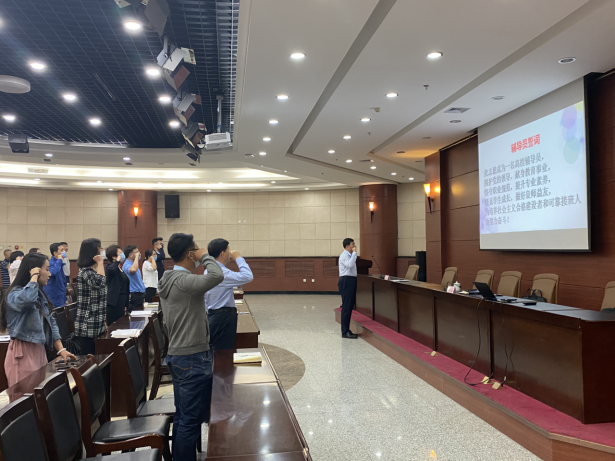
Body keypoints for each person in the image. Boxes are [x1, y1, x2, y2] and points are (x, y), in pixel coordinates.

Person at [158, 233, 223, 461]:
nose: (199, 251)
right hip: (191, 356)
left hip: (179, 354)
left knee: (185, 415)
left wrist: (200, 254)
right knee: (190, 419)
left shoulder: (169, 277)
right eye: (196, 249)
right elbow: (217, 275)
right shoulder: (184, 281)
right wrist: (205, 256)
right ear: (190, 254)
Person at [0, 253, 76, 387]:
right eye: (46, 269)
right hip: (22, 353)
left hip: (39, 350)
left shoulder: (39, 294)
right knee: (25, 397)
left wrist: (61, 350)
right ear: (34, 271)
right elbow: (27, 300)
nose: (49, 274)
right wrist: (34, 277)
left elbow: (51, 322)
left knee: (39, 394)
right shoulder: (15, 293)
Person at [205, 239, 253, 350]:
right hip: (222, 317)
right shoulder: (221, 273)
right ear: (222, 253)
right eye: (228, 250)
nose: (230, 252)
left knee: (217, 350)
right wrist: (238, 258)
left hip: (214, 315)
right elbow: (247, 276)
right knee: (223, 351)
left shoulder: (210, 269)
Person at [73, 238, 107, 355]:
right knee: (88, 357)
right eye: (100, 247)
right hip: (88, 323)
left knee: (99, 356)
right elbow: (99, 283)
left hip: (98, 320)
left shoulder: (95, 270)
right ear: (93, 252)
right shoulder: (85, 271)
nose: (102, 250)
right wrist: (101, 263)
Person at [338, 238, 358, 339]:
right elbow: (350, 265)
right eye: (352, 244)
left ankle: (347, 330)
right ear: (347, 246)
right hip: (346, 281)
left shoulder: (350, 255)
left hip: (351, 280)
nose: (354, 246)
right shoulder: (344, 255)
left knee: (349, 306)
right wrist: (354, 253)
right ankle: (345, 332)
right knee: (346, 307)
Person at [105, 245, 129, 325]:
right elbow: (112, 269)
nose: (122, 254)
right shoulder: (110, 267)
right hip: (114, 301)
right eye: (120, 252)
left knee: (121, 323)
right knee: (114, 324)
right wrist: (117, 260)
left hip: (122, 300)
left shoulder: (119, 268)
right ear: (114, 256)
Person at [43, 243, 67, 308]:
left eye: (64, 250)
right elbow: (53, 272)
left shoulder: (59, 264)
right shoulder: (50, 263)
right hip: (54, 295)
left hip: (61, 294)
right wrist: (59, 260)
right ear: (55, 253)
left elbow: (63, 281)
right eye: (61, 250)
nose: (64, 252)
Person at [123, 245, 145, 312]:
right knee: (135, 315)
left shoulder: (134, 264)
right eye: (136, 252)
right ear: (130, 255)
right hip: (134, 294)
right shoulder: (127, 264)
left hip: (139, 293)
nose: (139, 254)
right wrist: (136, 258)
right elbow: (133, 270)